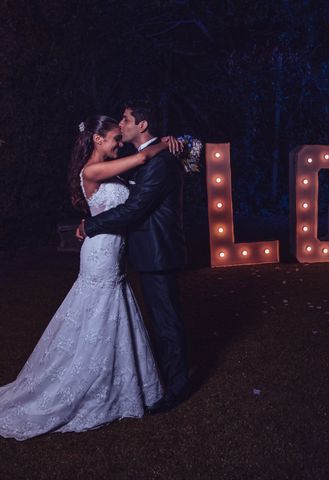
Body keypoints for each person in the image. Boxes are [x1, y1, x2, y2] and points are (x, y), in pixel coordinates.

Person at [0, 115, 173, 441]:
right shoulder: (91, 171)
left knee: (110, 311)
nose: (118, 143)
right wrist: (174, 143)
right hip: (99, 253)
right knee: (96, 313)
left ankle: (117, 383)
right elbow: (143, 157)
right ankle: (87, 386)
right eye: (113, 139)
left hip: (111, 250)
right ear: (96, 140)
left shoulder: (110, 168)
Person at [77, 100, 189, 415]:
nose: (121, 125)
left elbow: (135, 208)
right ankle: (149, 379)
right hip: (131, 253)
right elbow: (137, 164)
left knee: (166, 322)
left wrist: (91, 225)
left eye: (126, 120)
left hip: (158, 253)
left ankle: (177, 387)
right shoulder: (142, 159)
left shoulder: (160, 162)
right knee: (152, 319)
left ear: (141, 125)